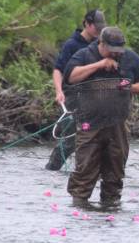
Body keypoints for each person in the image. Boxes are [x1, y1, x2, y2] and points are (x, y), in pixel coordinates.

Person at [63, 26, 139, 208]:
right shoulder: (84, 55)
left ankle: (110, 208)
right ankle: (79, 209)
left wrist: (129, 87)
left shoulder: (131, 58)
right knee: (84, 171)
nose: (115, 54)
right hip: (89, 123)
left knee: (115, 173)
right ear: (100, 44)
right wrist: (99, 64)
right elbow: (70, 77)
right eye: (111, 51)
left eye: (118, 51)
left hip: (117, 124)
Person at [45, 9, 106, 170]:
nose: (99, 31)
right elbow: (58, 69)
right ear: (86, 24)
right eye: (96, 27)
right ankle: (52, 169)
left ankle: (91, 170)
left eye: (101, 28)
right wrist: (59, 91)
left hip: (94, 98)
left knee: (97, 135)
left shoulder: (99, 45)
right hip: (73, 96)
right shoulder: (72, 45)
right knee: (71, 138)